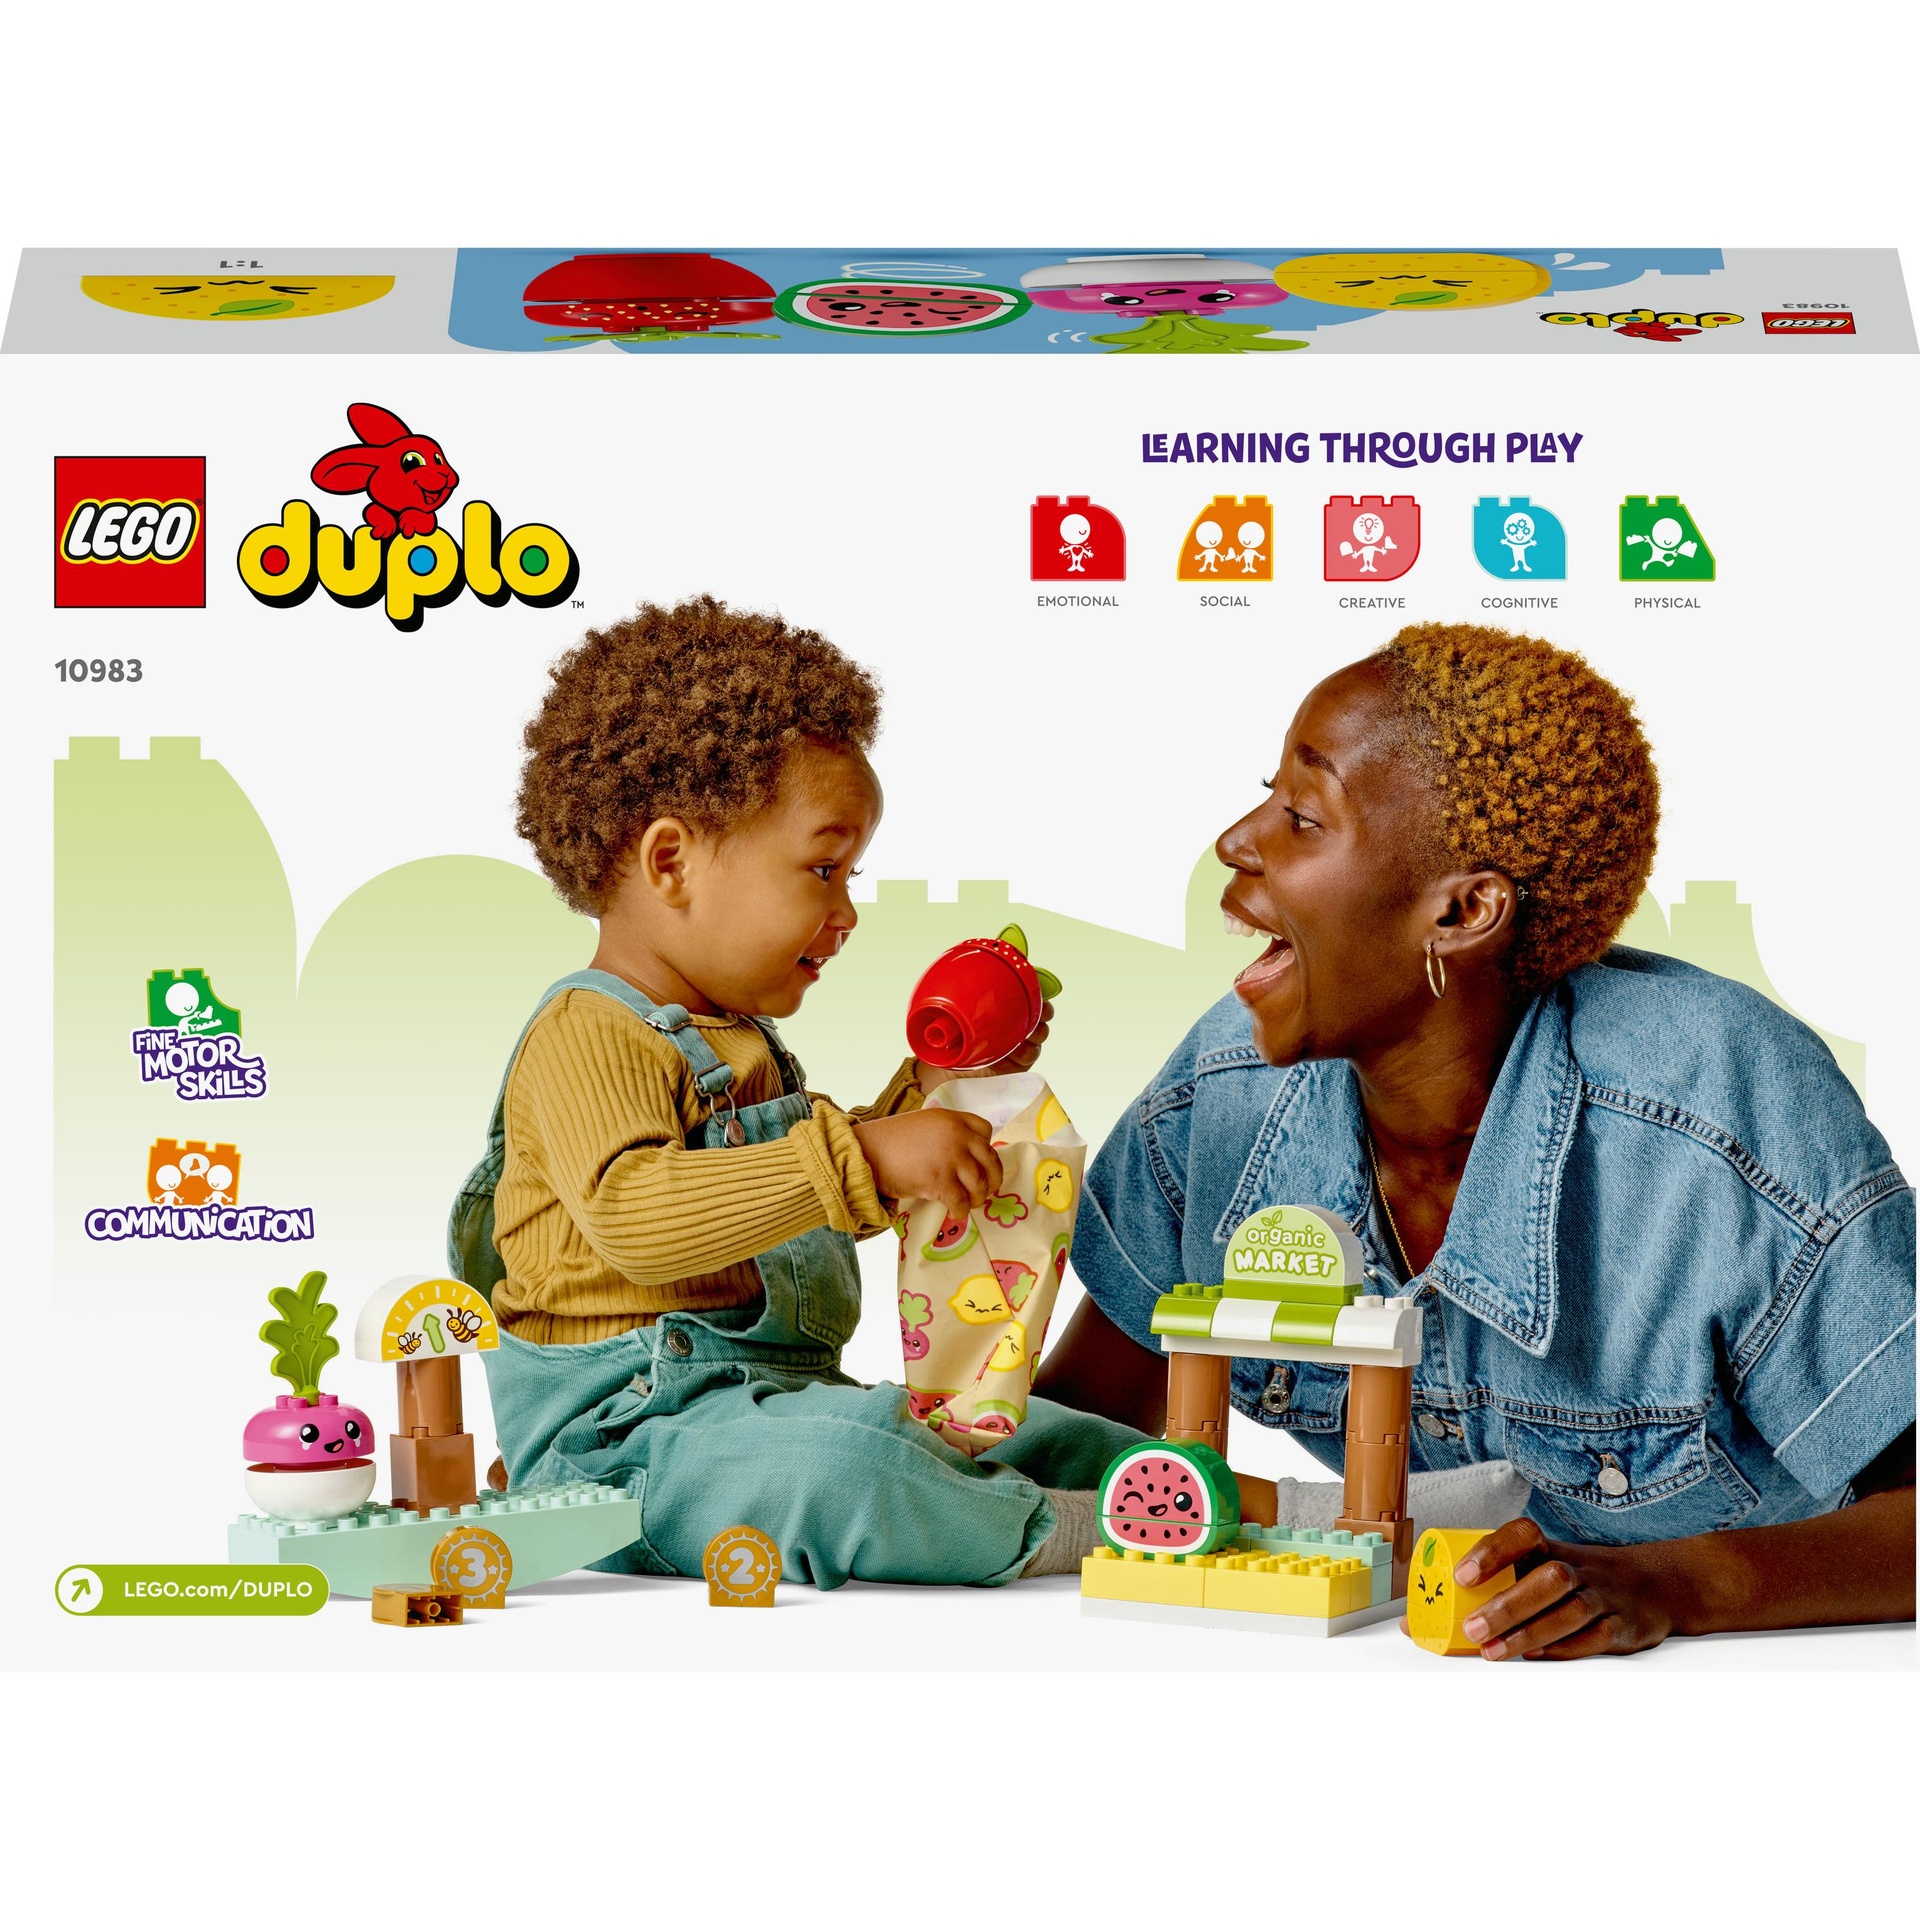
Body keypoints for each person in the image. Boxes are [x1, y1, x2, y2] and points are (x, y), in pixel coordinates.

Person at [1039, 622, 1915, 1658]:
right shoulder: (1228, 1089)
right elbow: (1073, 1439)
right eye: (1267, 797)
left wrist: (1676, 1584)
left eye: (1303, 817)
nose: (1236, 841)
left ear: (1461, 912)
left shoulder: (1716, 1108)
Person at [465, 594, 1141, 1586]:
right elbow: (638, 1219)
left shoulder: (739, 1044)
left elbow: (799, 1206)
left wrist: (939, 1095)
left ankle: (1278, 1509)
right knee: (852, 1464)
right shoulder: (587, 1033)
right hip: (626, 1445)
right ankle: (1089, 1531)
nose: (847, 910)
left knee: (1034, 1425)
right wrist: (864, 1155)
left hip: (768, 1404)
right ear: (670, 862)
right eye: (824, 868)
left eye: (851, 874)